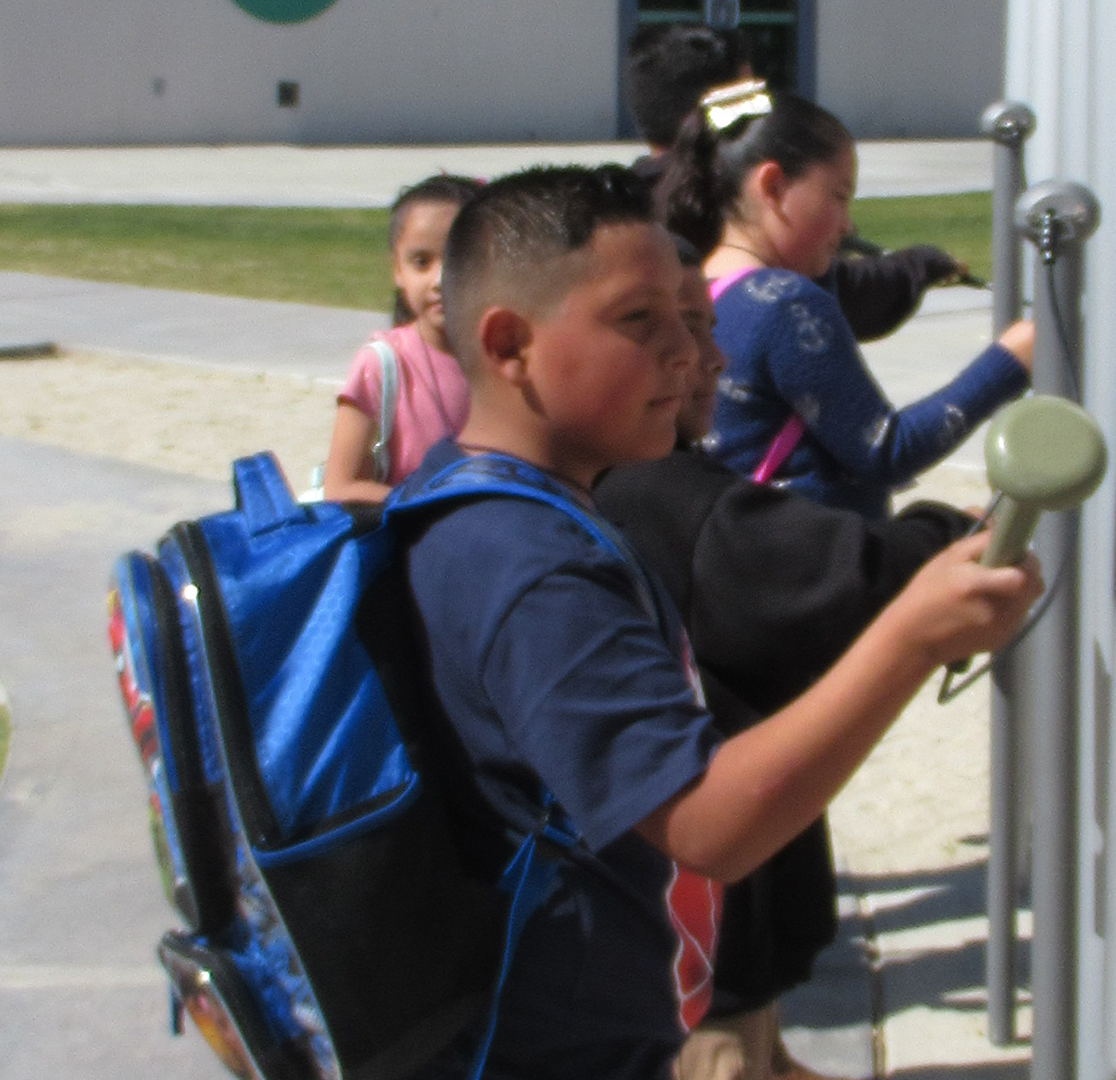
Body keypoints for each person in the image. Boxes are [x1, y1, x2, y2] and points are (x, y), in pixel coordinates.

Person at [394, 164, 1041, 1079]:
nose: (692, 355)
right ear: (509, 345)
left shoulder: (476, 491)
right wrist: (915, 636)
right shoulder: (530, 569)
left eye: (692, 318)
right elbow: (708, 825)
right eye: (639, 320)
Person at [594, 238, 982, 1080]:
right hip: (705, 940)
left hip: (661, 928)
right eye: (660, 325)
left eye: (703, 325)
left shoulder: (560, 485)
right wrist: (950, 532)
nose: (707, 357)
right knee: (727, 1053)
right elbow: (846, 580)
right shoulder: (669, 499)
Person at [656, 80, 1035, 519]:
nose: (848, 225)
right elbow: (885, 450)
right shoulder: (785, 304)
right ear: (773, 186)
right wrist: (1010, 361)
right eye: (838, 196)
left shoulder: (703, 290)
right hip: (811, 552)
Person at [623, 22, 967, 343]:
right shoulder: (779, 295)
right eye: (751, 100)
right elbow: (851, 294)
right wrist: (922, 264)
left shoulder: (619, 212)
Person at [320, 174, 482, 503]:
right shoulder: (381, 364)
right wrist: (426, 505)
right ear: (397, 269)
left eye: (457, 259)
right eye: (421, 262)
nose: (439, 280)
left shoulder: (510, 357)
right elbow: (339, 487)